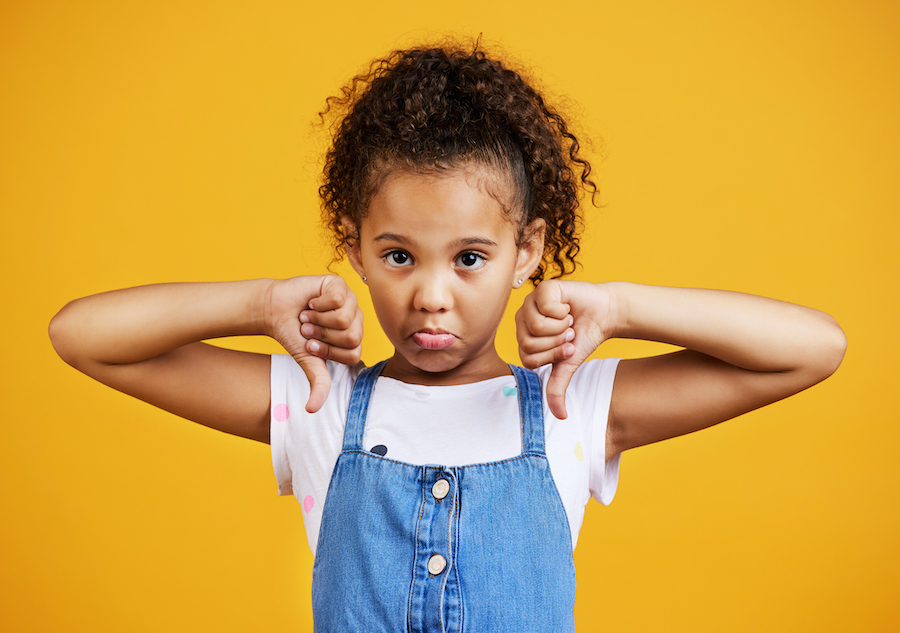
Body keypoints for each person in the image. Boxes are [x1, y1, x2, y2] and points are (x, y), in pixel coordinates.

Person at [48, 43, 846, 632]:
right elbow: (82, 335)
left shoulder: (572, 405)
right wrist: (260, 304)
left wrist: (620, 309)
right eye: (398, 255)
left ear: (526, 251)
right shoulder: (320, 400)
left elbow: (812, 348)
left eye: (470, 258)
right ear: (354, 246)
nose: (431, 295)